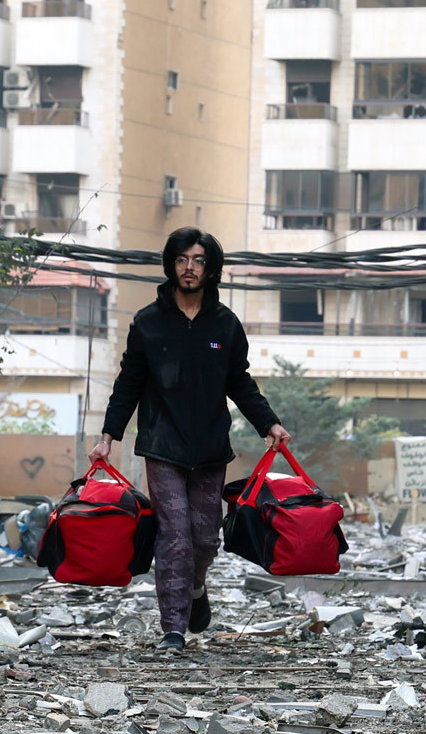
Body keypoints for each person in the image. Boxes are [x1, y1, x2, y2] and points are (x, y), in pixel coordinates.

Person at [92, 228, 290, 651]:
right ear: (171, 265)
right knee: (175, 536)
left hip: (210, 447)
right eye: (182, 259)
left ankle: (196, 588)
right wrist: (109, 435)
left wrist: (269, 424)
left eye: (198, 260)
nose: (189, 267)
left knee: (204, 539)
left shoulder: (225, 324)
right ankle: (173, 629)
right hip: (162, 445)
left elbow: (240, 382)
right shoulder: (148, 322)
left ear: (211, 269)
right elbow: (128, 383)